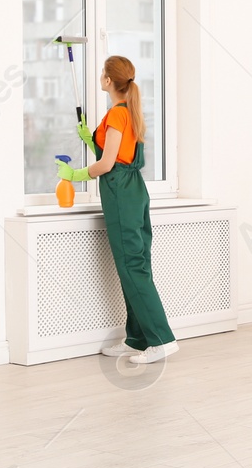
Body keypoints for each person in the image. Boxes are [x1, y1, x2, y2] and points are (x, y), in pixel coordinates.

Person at [57, 56, 178, 365]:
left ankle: (161, 340)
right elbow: (119, 155)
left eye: (102, 73)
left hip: (121, 193)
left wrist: (74, 175)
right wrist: (91, 139)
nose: (100, 76)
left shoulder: (116, 115)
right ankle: (137, 340)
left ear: (109, 81)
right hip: (134, 190)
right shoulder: (128, 112)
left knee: (133, 267)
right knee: (135, 265)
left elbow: (108, 165)